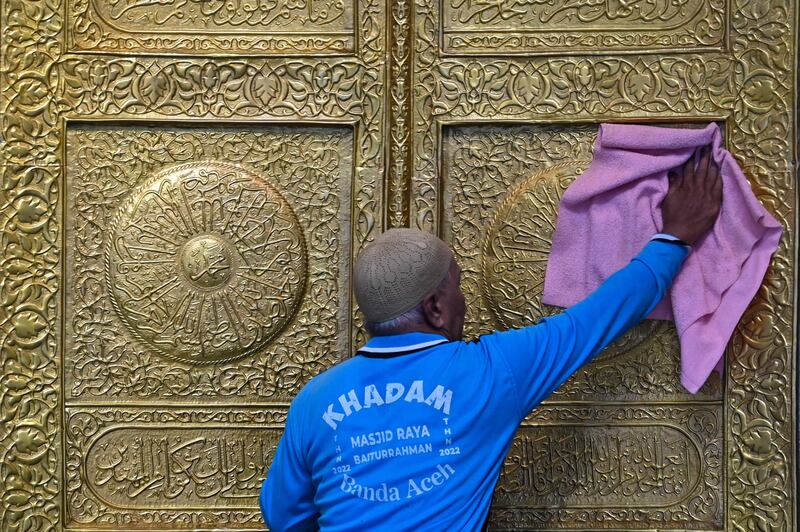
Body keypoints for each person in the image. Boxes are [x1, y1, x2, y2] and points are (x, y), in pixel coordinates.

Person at [260, 147, 722, 530]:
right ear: (434, 308)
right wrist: (675, 238)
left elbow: (284, 517)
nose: (463, 300)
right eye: (455, 287)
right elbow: (596, 319)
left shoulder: (314, 401)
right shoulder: (489, 371)